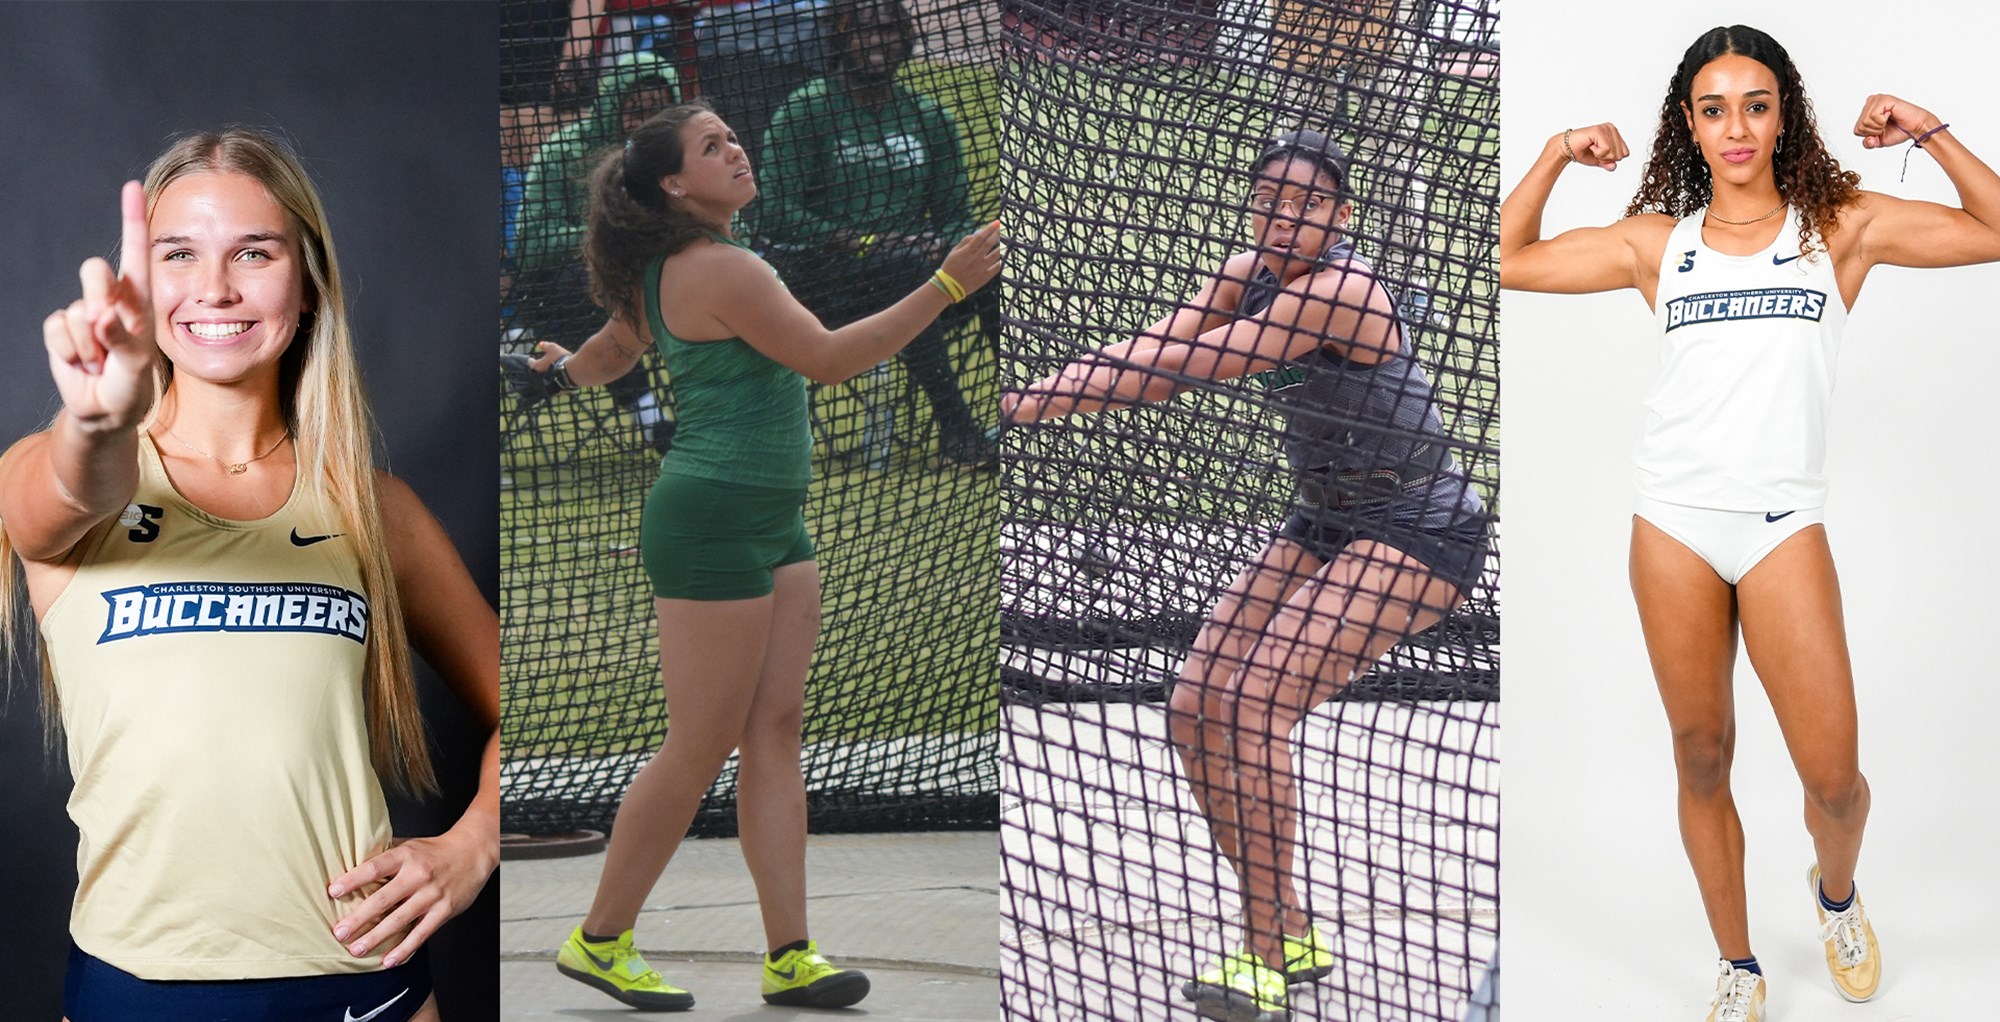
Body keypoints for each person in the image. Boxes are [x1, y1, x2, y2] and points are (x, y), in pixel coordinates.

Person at [1499, 24, 2000, 1022]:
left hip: (1778, 526)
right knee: (1697, 751)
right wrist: (1556, 151)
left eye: (1754, 104)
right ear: (1686, 123)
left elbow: (1993, 226)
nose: (1735, 127)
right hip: (1670, 526)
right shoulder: (1657, 242)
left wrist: (1927, 127)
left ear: (1784, 117)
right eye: (1713, 107)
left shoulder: (1839, 227)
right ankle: (1735, 964)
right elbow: (1506, 259)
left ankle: (1834, 894)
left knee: (1835, 781)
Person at [0, 129, 499, 1022]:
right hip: (139, 989)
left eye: (254, 253)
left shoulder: (373, 505)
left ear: (305, 287)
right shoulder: (52, 468)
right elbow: (70, 493)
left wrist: (472, 845)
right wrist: (98, 423)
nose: (215, 288)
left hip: (365, 981)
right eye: (178, 254)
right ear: (142, 286)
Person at [517, 99, 1001, 1010]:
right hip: (710, 521)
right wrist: (944, 286)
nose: (735, 151)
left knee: (775, 729)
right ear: (673, 184)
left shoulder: (663, 268)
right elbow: (826, 359)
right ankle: (599, 939)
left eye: (733, 138)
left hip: (777, 522)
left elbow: (618, 346)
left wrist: (561, 369)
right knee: (699, 745)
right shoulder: (721, 268)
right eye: (712, 147)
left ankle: (790, 955)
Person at [1004, 129, 1490, 1022]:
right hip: (1328, 517)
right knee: (1194, 705)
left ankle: (1262, 955)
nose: (1283, 217)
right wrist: (1029, 395)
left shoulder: (1342, 290)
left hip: (1420, 525)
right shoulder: (1245, 271)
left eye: (1306, 204)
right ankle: (1292, 927)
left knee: (1254, 702)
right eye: (1269, 200)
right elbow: (1152, 352)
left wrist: (1040, 399)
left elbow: (1194, 366)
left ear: (1340, 216)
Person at [759, 0, 1001, 468]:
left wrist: (943, 244)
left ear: (905, 40)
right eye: (862, 31)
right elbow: (774, 213)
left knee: (994, 266)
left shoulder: (929, 117)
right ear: (839, 39)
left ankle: (1025, 415)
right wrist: (864, 241)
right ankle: (957, 429)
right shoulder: (806, 109)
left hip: (920, 278)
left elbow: (955, 215)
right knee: (903, 272)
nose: (876, 41)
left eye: (889, 29)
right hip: (822, 286)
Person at [516, 50, 681, 451]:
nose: (644, 120)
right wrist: (611, 239)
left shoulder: (681, 158)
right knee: (595, 287)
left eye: (657, 109)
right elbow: (529, 242)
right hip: (568, 295)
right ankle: (651, 417)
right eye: (633, 109)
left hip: (662, 292)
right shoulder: (561, 152)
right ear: (611, 107)